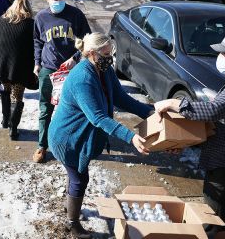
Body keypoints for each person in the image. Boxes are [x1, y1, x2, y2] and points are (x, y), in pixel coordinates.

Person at [154, 31, 225, 233]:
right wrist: (182, 142)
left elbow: (212, 111)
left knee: (215, 225)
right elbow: (220, 126)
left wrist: (173, 103)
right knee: (224, 221)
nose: (220, 58)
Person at [48, 32, 153, 238]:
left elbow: (122, 98)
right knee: (79, 178)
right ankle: (73, 223)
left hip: (80, 136)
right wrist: (130, 137)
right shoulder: (82, 78)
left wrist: (148, 111)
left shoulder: (104, 70)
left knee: (75, 174)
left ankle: (69, 206)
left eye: (110, 53)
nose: (109, 58)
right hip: (68, 138)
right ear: (91, 53)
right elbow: (98, 117)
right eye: (105, 54)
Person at [33, 0, 91, 163]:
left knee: (73, 108)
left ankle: (71, 144)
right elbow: (37, 41)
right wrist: (36, 63)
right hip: (49, 69)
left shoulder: (76, 15)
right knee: (45, 108)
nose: (59, 2)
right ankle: (42, 146)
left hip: (71, 70)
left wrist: (75, 58)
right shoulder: (41, 17)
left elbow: (87, 40)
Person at [0, 0, 36, 140]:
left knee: (4, 92)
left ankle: (5, 120)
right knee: (17, 97)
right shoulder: (31, 24)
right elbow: (34, 47)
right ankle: (13, 128)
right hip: (19, 68)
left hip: (0, 65)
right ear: (27, 8)